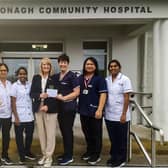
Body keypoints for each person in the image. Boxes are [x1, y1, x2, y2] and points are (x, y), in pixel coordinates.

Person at [78, 57, 107, 165]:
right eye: (87, 64)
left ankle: (96, 154)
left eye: (91, 64)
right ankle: (89, 151)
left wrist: (100, 109)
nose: (89, 66)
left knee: (96, 134)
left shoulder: (99, 79)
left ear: (95, 66)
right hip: (83, 111)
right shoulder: (80, 78)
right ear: (84, 66)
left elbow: (103, 94)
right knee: (87, 133)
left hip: (95, 111)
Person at [52, 53, 80, 166]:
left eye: (65, 62)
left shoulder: (72, 76)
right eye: (61, 62)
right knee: (64, 132)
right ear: (58, 63)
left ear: (68, 63)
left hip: (69, 109)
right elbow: (52, 90)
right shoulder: (56, 76)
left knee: (68, 131)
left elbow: (76, 92)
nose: (63, 64)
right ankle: (66, 153)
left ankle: (69, 156)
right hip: (60, 109)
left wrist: (64, 98)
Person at [104, 59, 132, 167]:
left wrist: (124, 114)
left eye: (115, 66)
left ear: (119, 67)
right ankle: (114, 156)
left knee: (121, 138)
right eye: (111, 66)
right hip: (109, 114)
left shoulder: (125, 79)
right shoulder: (107, 79)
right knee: (113, 138)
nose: (113, 68)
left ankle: (121, 159)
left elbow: (126, 97)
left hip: (121, 115)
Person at [30, 57, 57, 167]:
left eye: (48, 65)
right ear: (41, 66)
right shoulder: (36, 77)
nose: (45, 66)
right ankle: (44, 155)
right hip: (38, 107)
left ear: (50, 67)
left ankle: (49, 157)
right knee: (41, 133)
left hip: (50, 108)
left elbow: (54, 95)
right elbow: (32, 93)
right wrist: (39, 95)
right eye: (43, 65)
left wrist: (48, 106)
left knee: (50, 134)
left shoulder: (54, 78)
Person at [11, 67, 35, 164]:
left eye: (24, 74)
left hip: (29, 116)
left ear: (26, 75)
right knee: (19, 137)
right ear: (18, 75)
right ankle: (21, 156)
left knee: (29, 136)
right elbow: (13, 102)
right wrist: (16, 117)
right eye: (20, 74)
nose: (22, 75)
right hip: (19, 117)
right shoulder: (14, 86)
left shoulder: (30, 85)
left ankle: (27, 152)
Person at [0, 63, 13, 165]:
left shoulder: (10, 84)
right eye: (1, 70)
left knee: (6, 137)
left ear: (7, 72)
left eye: (4, 70)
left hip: (7, 116)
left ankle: (5, 155)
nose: (3, 72)